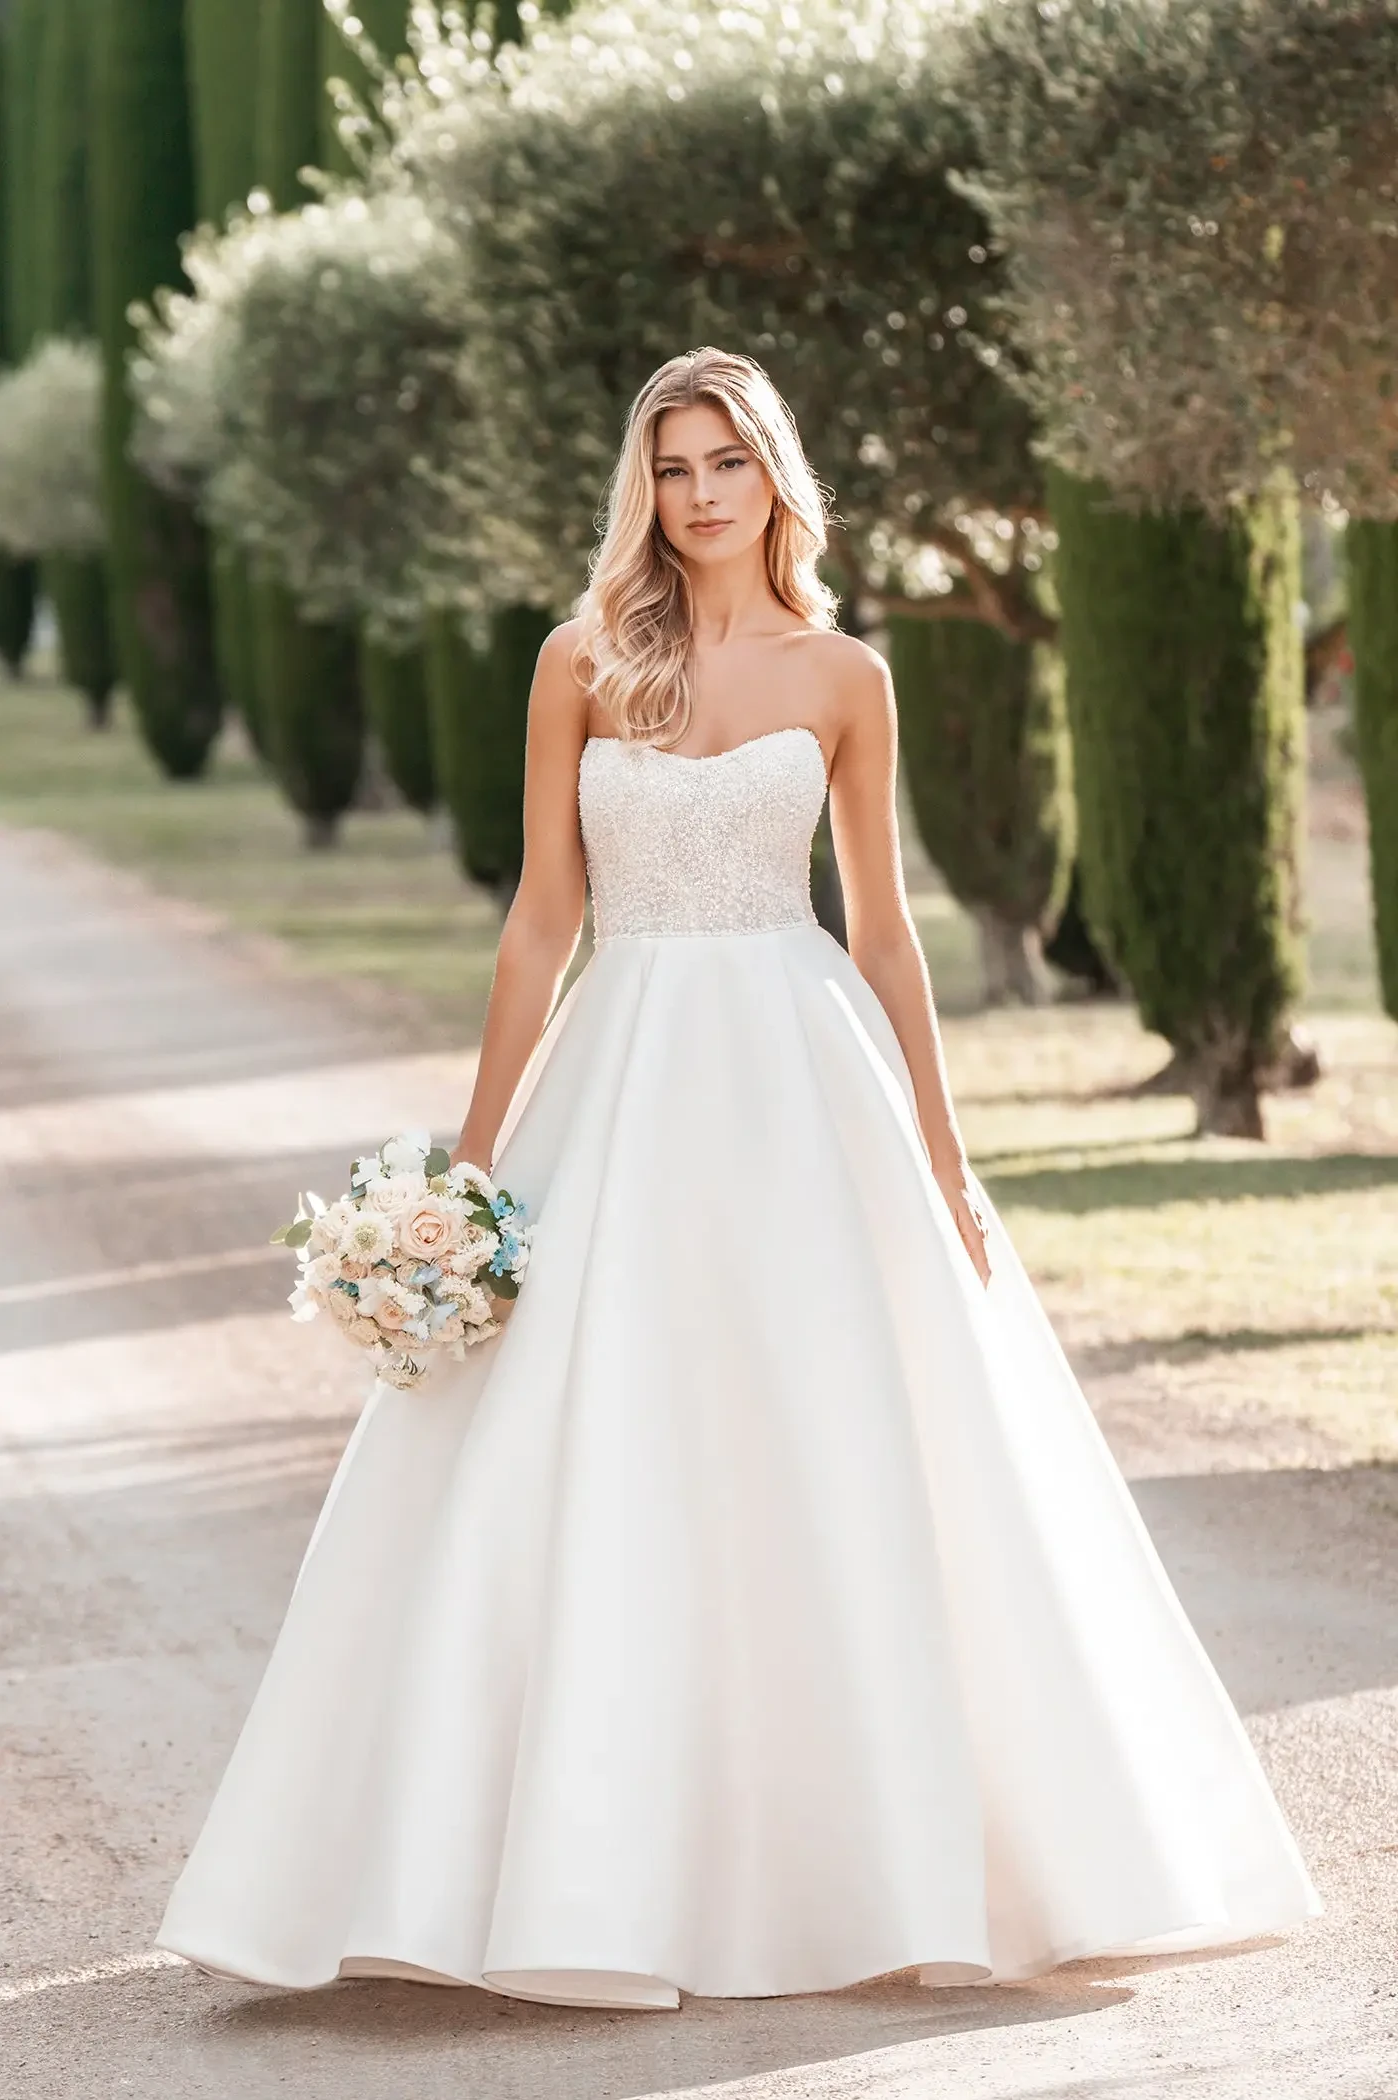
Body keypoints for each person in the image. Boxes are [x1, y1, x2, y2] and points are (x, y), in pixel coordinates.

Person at [158, 347, 1320, 2010]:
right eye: (673, 466)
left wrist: (945, 1153)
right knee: (593, 1432)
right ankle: (559, 1871)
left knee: (839, 1430)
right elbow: (541, 923)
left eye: (728, 462)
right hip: (621, 1067)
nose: (701, 495)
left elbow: (887, 931)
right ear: (642, 487)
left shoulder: (846, 676)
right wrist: (469, 1167)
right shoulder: (580, 661)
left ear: (777, 476)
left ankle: (886, 1864)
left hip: (798, 1072)